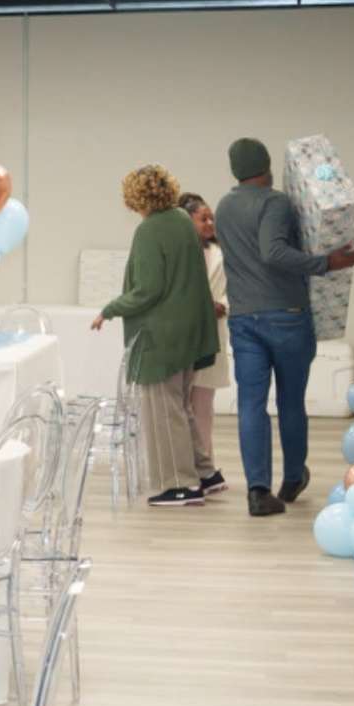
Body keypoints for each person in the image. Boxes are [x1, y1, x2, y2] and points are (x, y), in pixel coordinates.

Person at [214, 136, 354, 514]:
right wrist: (328, 263)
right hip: (287, 316)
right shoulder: (276, 202)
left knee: (251, 404)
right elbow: (274, 252)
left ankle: (258, 491)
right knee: (290, 401)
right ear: (267, 165)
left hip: (244, 318)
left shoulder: (224, 206)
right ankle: (294, 475)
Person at [93, 164, 220, 506]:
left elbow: (147, 289)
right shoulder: (181, 219)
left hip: (161, 336)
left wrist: (110, 308)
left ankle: (180, 483)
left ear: (135, 197)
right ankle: (205, 473)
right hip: (190, 330)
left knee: (163, 412)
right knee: (180, 406)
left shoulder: (150, 230)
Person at [178, 191, 228, 504]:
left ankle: (205, 469)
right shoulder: (179, 252)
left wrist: (223, 304)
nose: (210, 223)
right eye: (203, 218)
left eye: (211, 218)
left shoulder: (224, 252)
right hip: (184, 335)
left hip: (213, 333)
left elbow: (239, 286)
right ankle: (184, 469)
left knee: (203, 406)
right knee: (180, 405)